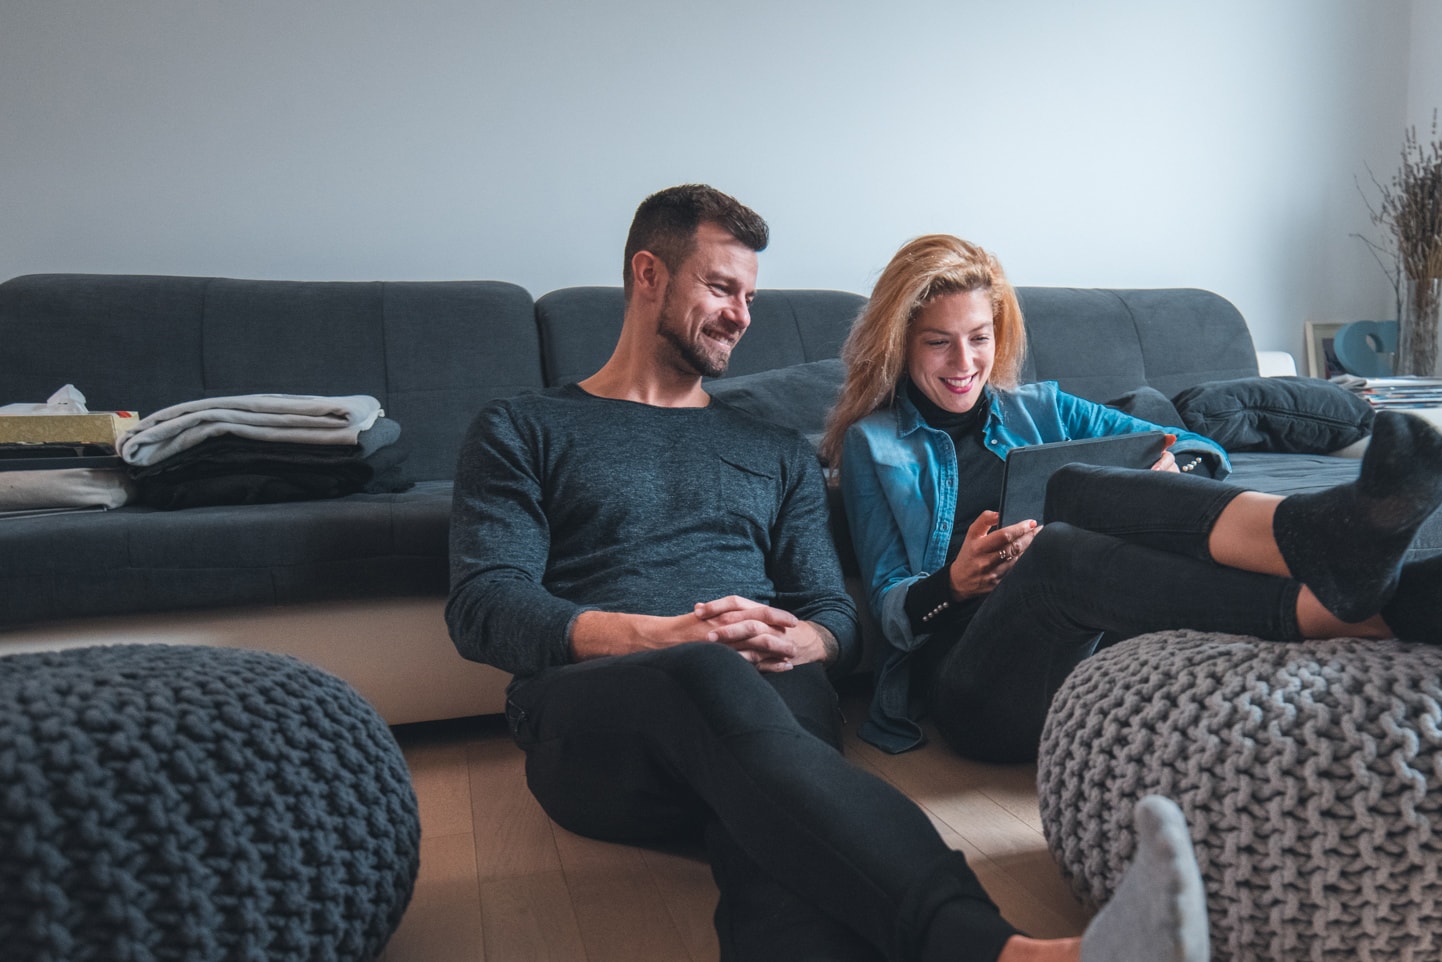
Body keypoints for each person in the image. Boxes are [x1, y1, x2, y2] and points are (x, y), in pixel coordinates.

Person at [447, 187, 1209, 962]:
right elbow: (483, 604)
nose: (741, 314)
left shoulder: (775, 449)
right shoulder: (523, 427)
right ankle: (998, 950)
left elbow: (832, 610)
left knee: (776, 839)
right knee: (714, 687)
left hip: (770, 708)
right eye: (720, 288)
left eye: (749, 294)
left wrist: (810, 639)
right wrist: (663, 636)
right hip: (601, 721)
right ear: (648, 275)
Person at [826, 234, 1442, 763]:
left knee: (1085, 491)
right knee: (1060, 537)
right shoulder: (874, 445)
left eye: (980, 338)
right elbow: (891, 610)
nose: (966, 363)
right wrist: (953, 583)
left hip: (1089, 657)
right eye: (939, 342)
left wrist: (1166, 476)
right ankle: (1344, 567)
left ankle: (1386, 583)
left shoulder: (1042, 409)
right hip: (972, 688)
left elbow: (1196, 444)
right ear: (901, 342)